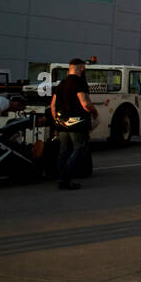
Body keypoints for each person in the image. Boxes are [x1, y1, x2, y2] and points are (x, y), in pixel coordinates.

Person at [49, 58, 97, 190]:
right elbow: (85, 103)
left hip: (62, 123)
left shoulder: (61, 84)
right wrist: (94, 111)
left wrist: (56, 120)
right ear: (81, 68)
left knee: (63, 151)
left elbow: (53, 105)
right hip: (77, 123)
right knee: (79, 149)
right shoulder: (80, 83)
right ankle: (66, 179)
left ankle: (60, 178)